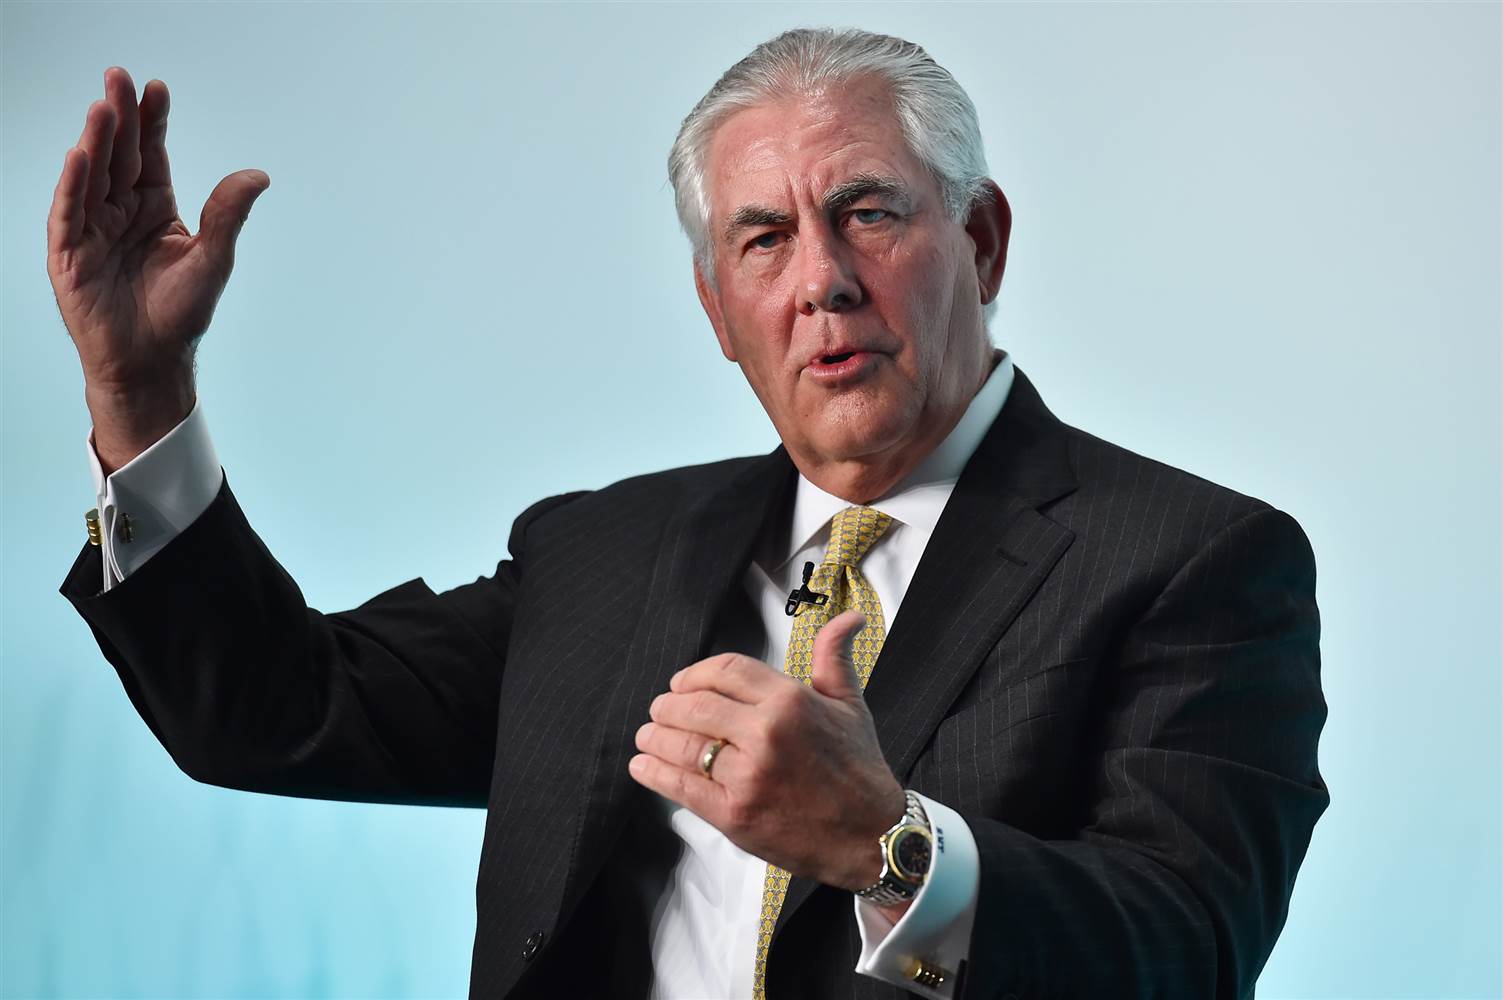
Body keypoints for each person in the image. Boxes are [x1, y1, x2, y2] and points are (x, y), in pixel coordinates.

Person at [47, 27, 1328, 1000]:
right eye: (763, 239)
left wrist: (888, 846)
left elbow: (1190, 946)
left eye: (868, 212)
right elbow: (278, 713)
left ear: (982, 243)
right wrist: (140, 389)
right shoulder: (602, 554)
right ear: (718, 311)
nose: (822, 281)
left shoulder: (1195, 560)